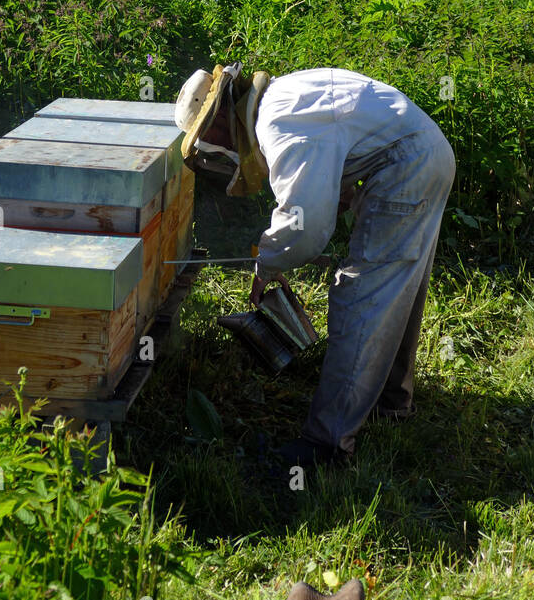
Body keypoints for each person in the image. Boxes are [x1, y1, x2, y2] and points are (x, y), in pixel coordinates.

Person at [175, 63, 456, 467]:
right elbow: (337, 148)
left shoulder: (279, 123)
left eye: (209, 135)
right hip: (422, 153)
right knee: (397, 288)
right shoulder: (285, 96)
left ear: (221, 114)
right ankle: (391, 403)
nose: (216, 147)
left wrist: (266, 264)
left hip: (405, 164)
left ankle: (326, 446)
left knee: (362, 297)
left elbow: (306, 225)